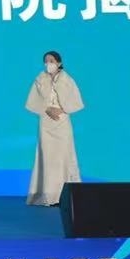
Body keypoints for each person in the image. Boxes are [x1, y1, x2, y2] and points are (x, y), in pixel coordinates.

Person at [25, 50, 84, 206]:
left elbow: (74, 101)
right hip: (46, 122)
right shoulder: (40, 79)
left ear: (59, 62)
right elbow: (33, 101)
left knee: (64, 157)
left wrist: (62, 109)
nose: (48, 64)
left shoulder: (67, 80)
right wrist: (47, 109)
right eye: (46, 61)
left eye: (51, 61)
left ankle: (66, 195)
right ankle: (48, 195)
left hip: (62, 121)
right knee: (48, 158)